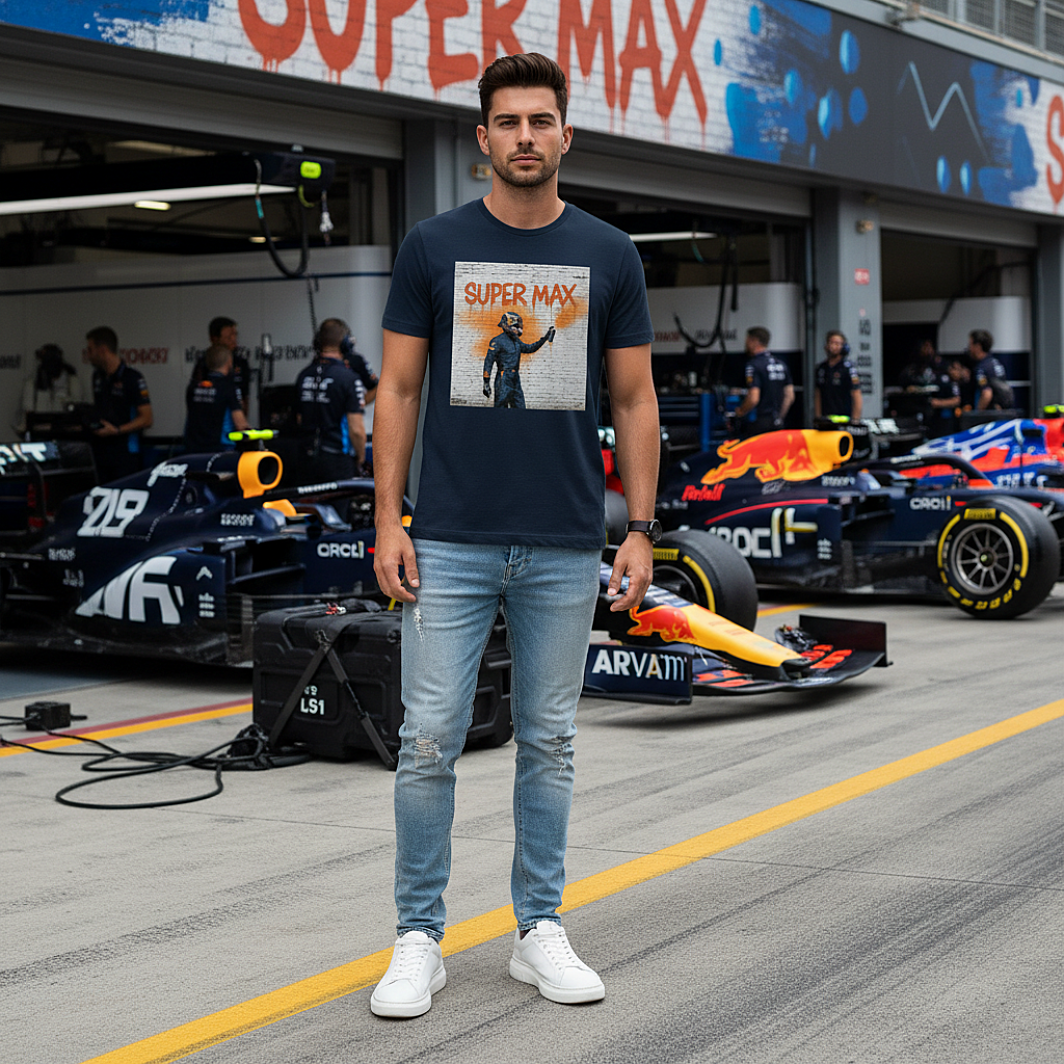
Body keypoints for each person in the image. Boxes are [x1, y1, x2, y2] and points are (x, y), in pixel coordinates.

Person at [370, 52, 658, 1019]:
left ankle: (539, 929)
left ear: (565, 135)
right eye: (509, 122)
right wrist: (388, 518)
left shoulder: (610, 254)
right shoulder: (432, 246)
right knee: (427, 740)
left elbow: (634, 397)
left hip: (566, 539)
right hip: (447, 536)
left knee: (551, 741)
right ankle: (419, 938)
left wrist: (644, 528)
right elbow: (400, 387)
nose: (526, 137)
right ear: (482, 139)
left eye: (543, 121)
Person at [293, 317, 366, 482]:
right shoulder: (349, 378)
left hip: (306, 458)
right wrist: (360, 458)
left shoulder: (304, 375)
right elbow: (356, 430)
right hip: (337, 459)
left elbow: (299, 418)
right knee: (337, 508)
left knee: (308, 508)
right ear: (346, 344)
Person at [85, 326, 153, 483]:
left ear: (102, 350)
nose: (88, 355)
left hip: (126, 453)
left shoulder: (132, 378)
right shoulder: (97, 377)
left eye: (90, 350)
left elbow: (147, 419)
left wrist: (116, 430)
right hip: (101, 452)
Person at [184, 343, 250, 453]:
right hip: (220, 449)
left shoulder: (193, 387)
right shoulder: (229, 388)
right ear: (229, 362)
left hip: (192, 450)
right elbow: (241, 425)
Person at [482, 311, 556, 408]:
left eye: (518, 325)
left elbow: (529, 348)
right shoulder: (497, 341)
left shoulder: (516, 341)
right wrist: (486, 383)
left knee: (520, 407)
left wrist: (545, 338)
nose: (517, 328)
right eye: (514, 325)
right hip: (503, 378)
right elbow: (488, 362)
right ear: (505, 324)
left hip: (515, 379)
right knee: (501, 408)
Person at [733, 326, 793, 437]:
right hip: (777, 422)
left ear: (754, 341)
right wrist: (779, 417)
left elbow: (753, 398)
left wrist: (741, 411)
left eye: (747, 341)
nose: (746, 344)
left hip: (760, 423)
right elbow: (789, 396)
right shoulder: (781, 364)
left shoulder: (753, 365)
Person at [188, 317, 251, 414]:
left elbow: (245, 396)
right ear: (214, 339)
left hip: (235, 420)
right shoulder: (203, 363)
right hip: (210, 420)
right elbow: (196, 396)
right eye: (229, 337)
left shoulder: (241, 363)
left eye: (235, 335)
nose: (234, 340)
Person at [18, 343, 83, 434]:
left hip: (65, 435)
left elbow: (77, 411)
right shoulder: (32, 385)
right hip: (39, 434)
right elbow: (28, 414)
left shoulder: (72, 382)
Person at [898, 339, 959, 434]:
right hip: (920, 417)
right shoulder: (912, 372)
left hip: (942, 418)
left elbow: (956, 399)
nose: (927, 350)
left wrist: (938, 403)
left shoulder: (943, 370)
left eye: (929, 347)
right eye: (924, 347)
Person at [813, 331, 862, 420]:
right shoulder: (821, 368)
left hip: (844, 417)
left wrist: (855, 419)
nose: (833, 346)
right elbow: (818, 394)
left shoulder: (848, 368)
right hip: (826, 417)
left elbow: (856, 393)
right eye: (831, 343)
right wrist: (818, 417)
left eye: (837, 344)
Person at [968, 329, 1014, 411]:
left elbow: (987, 394)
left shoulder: (981, 368)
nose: (969, 348)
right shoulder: (996, 363)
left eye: (970, 345)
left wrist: (977, 415)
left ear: (978, 346)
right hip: (1001, 411)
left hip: (989, 414)